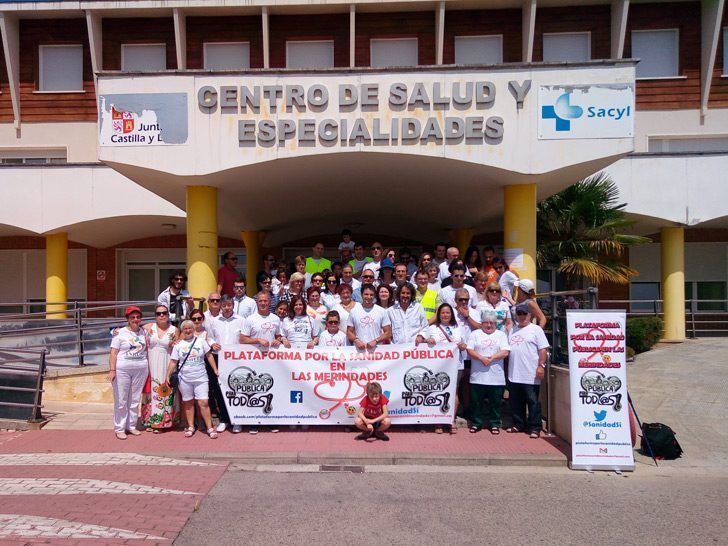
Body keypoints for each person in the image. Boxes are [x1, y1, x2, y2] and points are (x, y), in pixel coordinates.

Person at [415, 303, 467, 433]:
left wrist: (462, 346)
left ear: (452, 314)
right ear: (439, 314)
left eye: (448, 312)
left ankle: (450, 420)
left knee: (453, 392)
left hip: (456, 364)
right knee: (437, 391)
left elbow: (465, 344)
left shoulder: (458, 327)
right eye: (443, 313)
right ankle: (438, 421)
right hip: (437, 366)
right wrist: (427, 340)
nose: (445, 315)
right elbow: (419, 339)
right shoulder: (432, 328)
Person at [166, 319, 219, 439]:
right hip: (184, 378)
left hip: (201, 377)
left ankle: (209, 427)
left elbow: (209, 356)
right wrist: (167, 374)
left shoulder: (201, 341)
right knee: (188, 402)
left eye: (190, 328)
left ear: (193, 329)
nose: (188, 330)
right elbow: (174, 361)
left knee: (203, 402)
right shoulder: (178, 345)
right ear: (182, 331)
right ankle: (190, 426)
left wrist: (215, 370)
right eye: (185, 329)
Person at [239, 292, 282, 434]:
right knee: (255, 391)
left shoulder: (275, 318)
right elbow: (242, 339)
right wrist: (257, 340)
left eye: (266, 301)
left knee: (271, 390)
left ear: (269, 302)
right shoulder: (250, 319)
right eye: (261, 301)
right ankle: (254, 422)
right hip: (254, 361)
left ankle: (270, 421)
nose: (263, 303)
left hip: (271, 360)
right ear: (257, 302)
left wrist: (278, 340)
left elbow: (279, 335)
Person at [507, 303, 550, 438]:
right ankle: (518, 424)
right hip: (514, 373)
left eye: (524, 314)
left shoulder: (536, 330)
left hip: (530, 373)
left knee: (533, 401)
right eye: (519, 314)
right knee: (516, 401)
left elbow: (543, 349)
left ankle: (535, 427)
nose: (521, 316)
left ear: (530, 315)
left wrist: (541, 366)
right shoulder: (512, 330)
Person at [466, 310, 511, 434]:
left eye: (492, 323)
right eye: (486, 322)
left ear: (496, 323)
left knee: (495, 402)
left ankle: (494, 423)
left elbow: (505, 351)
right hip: (477, 376)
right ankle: (476, 423)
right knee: (476, 401)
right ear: (482, 323)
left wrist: (491, 358)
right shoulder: (475, 334)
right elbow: (470, 350)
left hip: (495, 376)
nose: (489, 325)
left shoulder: (501, 335)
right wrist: (481, 358)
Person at [109, 306, 149, 440]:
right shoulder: (119, 333)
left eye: (138, 317)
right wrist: (112, 370)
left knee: (135, 399)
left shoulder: (144, 331)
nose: (135, 320)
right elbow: (113, 353)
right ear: (127, 319)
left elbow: (158, 324)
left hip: (140, 368)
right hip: (122, 369)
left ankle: (131, 426)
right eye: (132, 317)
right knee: (121, 400)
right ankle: (119, 428)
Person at [207, 295, 245, 434]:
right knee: (221, 390)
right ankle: (224, 419)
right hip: (219, 359)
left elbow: (245, 337)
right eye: (224, 305)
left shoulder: (241, 320)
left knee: (237, 389)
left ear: (233, 305)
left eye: (230, 305)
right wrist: (212, 344)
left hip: (237, 360)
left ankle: (237, 420)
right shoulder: (214, 321)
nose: (227, 308)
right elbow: (209, 336)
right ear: (221, 306)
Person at [142, 304, 179, 433]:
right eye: (158, 314)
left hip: (166, 361)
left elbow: (178, 347)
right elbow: (133, 331)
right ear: (155, 316)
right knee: (150, 391)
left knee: (164, 390)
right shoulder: (147, 328)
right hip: (150, 362)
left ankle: (163, 422)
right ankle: (149, 420)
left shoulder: (174, 330)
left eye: (164, 313)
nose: (161, 315)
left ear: (168, 315)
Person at [347, 284, 392, 350]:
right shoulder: (354, 311)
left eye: (371, 295)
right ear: (361, 295)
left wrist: (376, 341)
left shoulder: (381, 311)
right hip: (359, 351)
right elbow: (349, 332)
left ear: (374, 296)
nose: (369, 297)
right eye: (366, 294)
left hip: (377, 350)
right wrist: (356, 340)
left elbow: (388, 333)